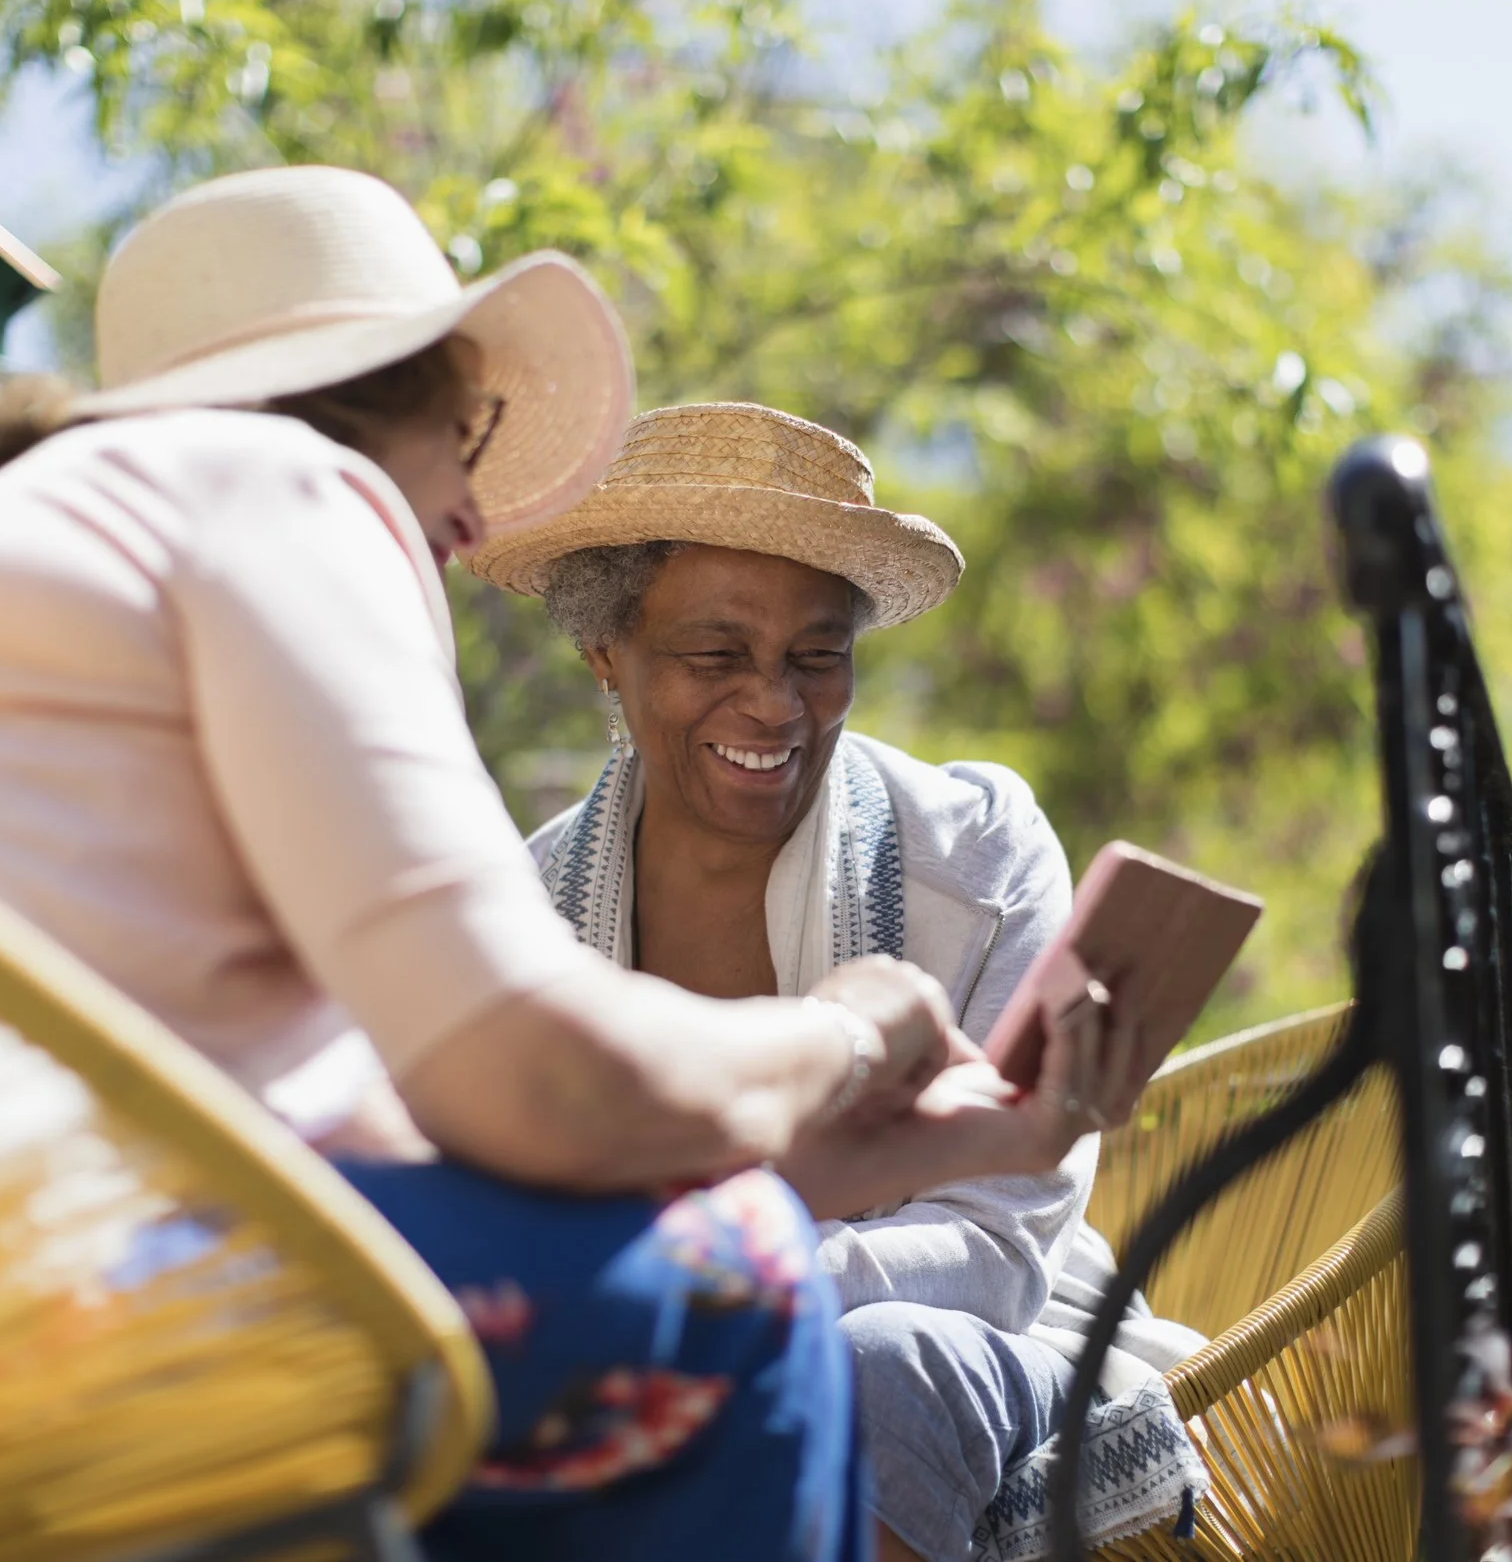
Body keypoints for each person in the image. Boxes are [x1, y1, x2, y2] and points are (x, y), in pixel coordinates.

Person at [0, 168, 1103, 1562]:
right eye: (474, 435)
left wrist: (951, 1135)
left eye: (817, 653)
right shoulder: (277, 489)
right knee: (735, 1272)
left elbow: (379, 1119)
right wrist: (840, 1032)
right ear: (378, 403)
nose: (472, 513)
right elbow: (535, 1089)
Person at [468, 402, 1208, 1562]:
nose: (772, 701)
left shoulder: (974, 850)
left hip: (977, 1349)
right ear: (605, 653)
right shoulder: (528, 913)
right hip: (622, 1360)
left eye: (817, 655)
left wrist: (723, 1289)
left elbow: (1001, 1247)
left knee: (875, 1365)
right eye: (715, 654)